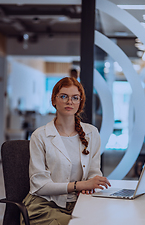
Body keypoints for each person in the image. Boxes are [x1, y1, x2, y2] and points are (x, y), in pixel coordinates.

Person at [21, 77, 111, 225]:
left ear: (80, 102)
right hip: (44, 205)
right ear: (54, 100)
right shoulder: (40, 135)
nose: (70, 101)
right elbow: (40, 185)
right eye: (64, 96)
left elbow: (94, 171)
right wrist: (80, 185)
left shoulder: (92, 133)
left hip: (80, 203)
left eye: (75, 98)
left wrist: (92, 183)